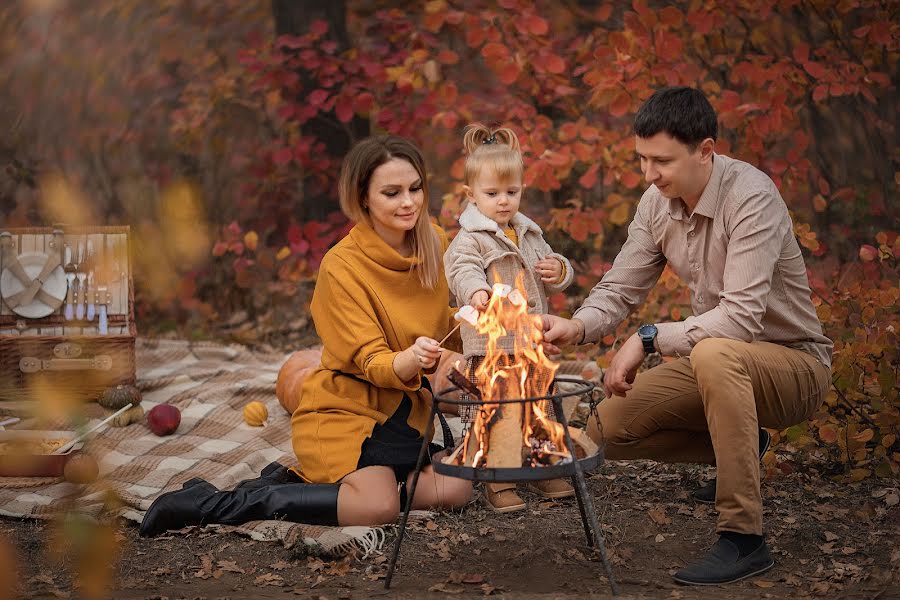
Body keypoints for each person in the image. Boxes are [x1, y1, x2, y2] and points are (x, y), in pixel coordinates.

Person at [542, 87, 832, 585]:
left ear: (705, 150)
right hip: (718, 368)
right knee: (607, 428)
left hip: (793, 367)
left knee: (718, 351)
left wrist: (648, 337)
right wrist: (578, 325)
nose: (649, 175)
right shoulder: (657, 202)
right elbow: (622, 284)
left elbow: (739, 320)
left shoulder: (751, 196)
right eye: (641, 159)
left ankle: (744, 538)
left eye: (661, 161)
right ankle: (742, 443)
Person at [140, 135, 472, 537]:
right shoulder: (342, 266)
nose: (409, 202)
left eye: (415, 188)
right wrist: (411, 359)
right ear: (362, 198)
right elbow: (372, 361)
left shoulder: (434, 242)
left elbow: (442, 321)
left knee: (456, 489)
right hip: (347, 413)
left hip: (406, 415)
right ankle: (217, 502)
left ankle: (324, 485)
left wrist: (475, 319)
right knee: (377, 506)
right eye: (392, 192)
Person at [444, 123, 575, 513]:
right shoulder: (470, 239)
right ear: (471, 196)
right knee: (495, 413)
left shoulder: (529, 234)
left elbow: (553, 266)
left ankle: (543, 464)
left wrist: (559, 269)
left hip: (531, 345)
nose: (503, 201)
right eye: (492, 193)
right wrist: (475, 290)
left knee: (539, 404)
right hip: (491, 349)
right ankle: (497, 479)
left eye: (512, 192)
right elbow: (461, 269)